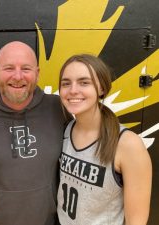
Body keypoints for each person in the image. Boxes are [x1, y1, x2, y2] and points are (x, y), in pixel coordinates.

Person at [0, 41, 71, 225]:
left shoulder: (58, 108)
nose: (18, 76)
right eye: (9, 68)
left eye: (26, 68)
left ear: (37, 73)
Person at [57, 54, 152, 225]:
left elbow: (136, 220)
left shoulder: (127, 144)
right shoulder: (64, 130)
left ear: (101, 88)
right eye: (66, 83)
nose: (73, 90)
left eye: (84, 82)